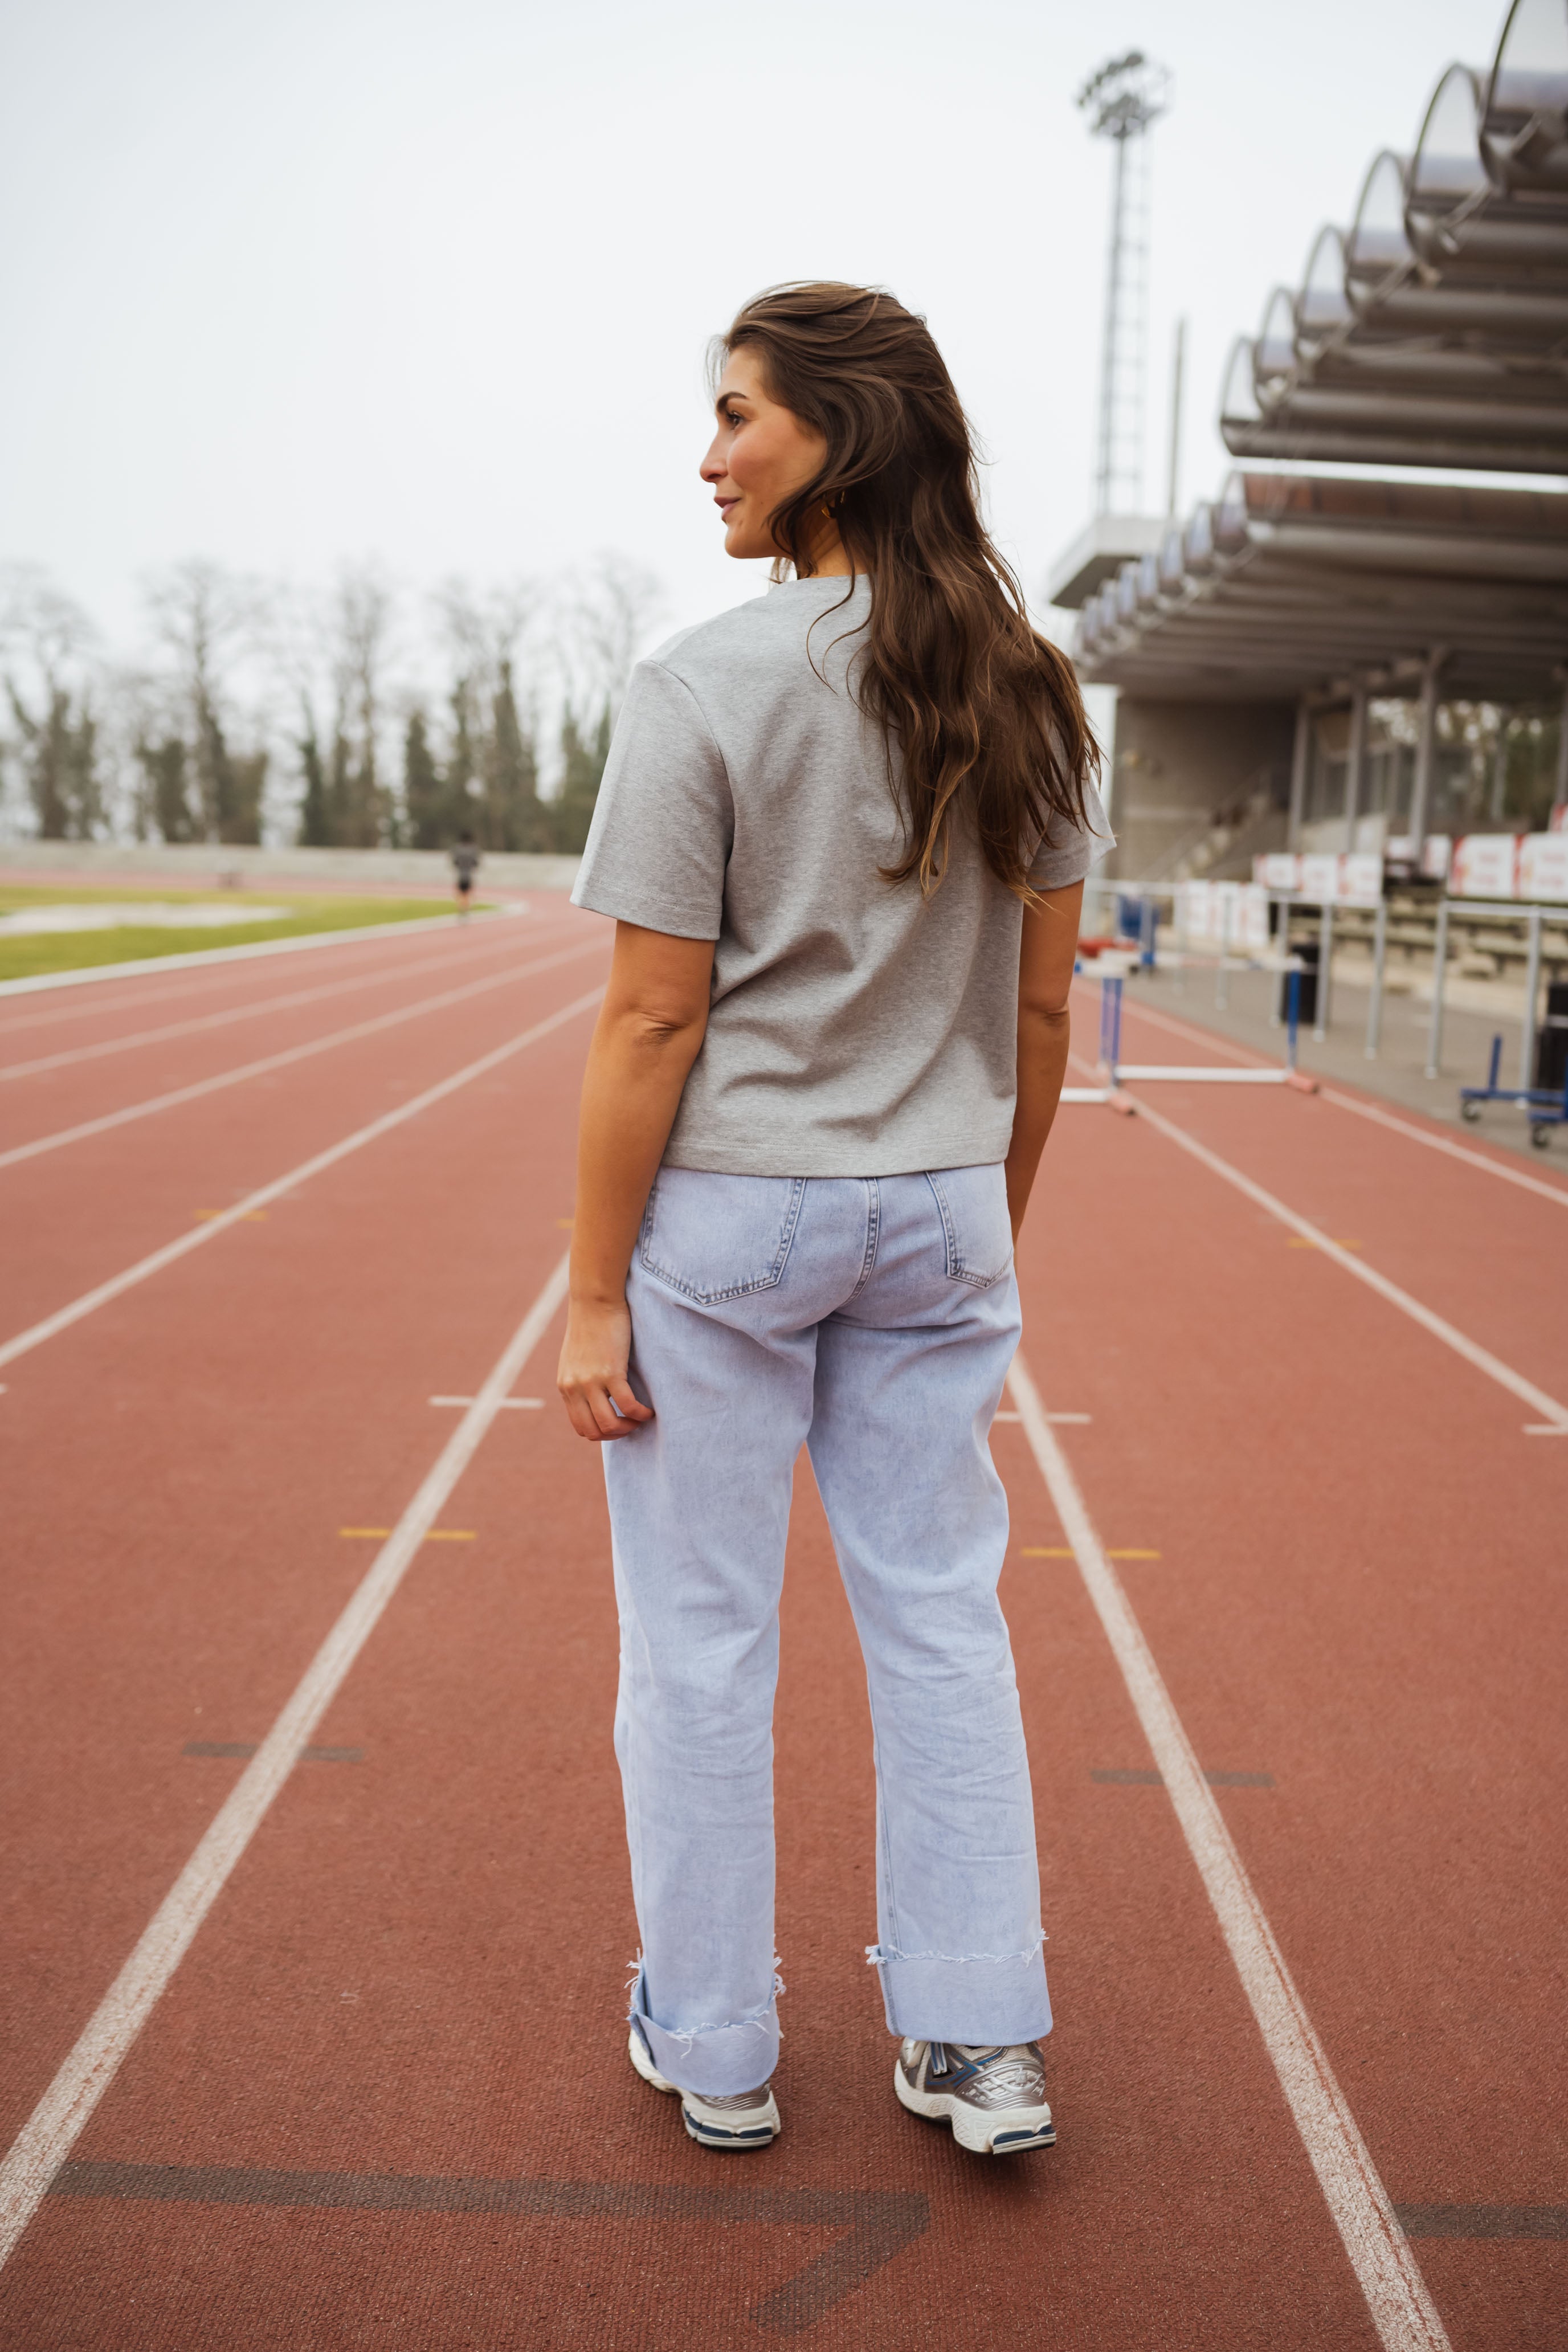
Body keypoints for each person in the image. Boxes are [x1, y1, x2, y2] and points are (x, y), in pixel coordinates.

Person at [557, 282, 1110, 2158]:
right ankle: (980, 2037)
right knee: (943, 1619)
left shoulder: (701, 681)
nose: (708, 455)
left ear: (839, 435)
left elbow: (651, 1018)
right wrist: (982, 1215)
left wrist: (589, 1295)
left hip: (735, 1216)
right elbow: (1043, 1010)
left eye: (739, 413)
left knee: (701, 1640)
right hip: (939, 1200)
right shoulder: (1032, 685)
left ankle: (716, 2041)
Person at [450, 829, 481, 911]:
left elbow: (455, 862)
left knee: (461, 892)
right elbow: (476, 863)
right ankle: (466, 906)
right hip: (469, 874)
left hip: (461, 874)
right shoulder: (473, 849)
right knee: (467, 892)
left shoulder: (458, 848)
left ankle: (462, 906)